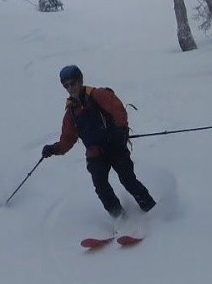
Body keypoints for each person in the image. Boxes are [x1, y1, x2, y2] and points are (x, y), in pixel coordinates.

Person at [41, 64, 156, 231]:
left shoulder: (97, 95)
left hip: (115, 146)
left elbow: (118, 110)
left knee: (128, 180)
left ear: (80, 81)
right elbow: (67, 140)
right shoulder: (71, 112)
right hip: (95, 154)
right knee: (101, 186)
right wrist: (54, 149)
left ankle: (150, 208)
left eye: (73, 83)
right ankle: (121, 219)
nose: (70, 88)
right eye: (66, 85)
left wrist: (121, 131)